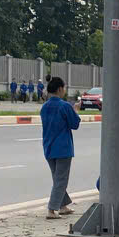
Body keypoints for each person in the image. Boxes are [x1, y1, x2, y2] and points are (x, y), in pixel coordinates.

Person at [41, 76, 81, 218]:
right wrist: (75, 110)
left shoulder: (44, 107)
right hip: (63, 148)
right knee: (61, 180)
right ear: (59, 89)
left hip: (48, 147)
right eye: (63, 88)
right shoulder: (64, 106)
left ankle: (63, 206)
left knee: (57, 179)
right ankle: (52, 209)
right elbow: (75, 124)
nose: (64, 91)